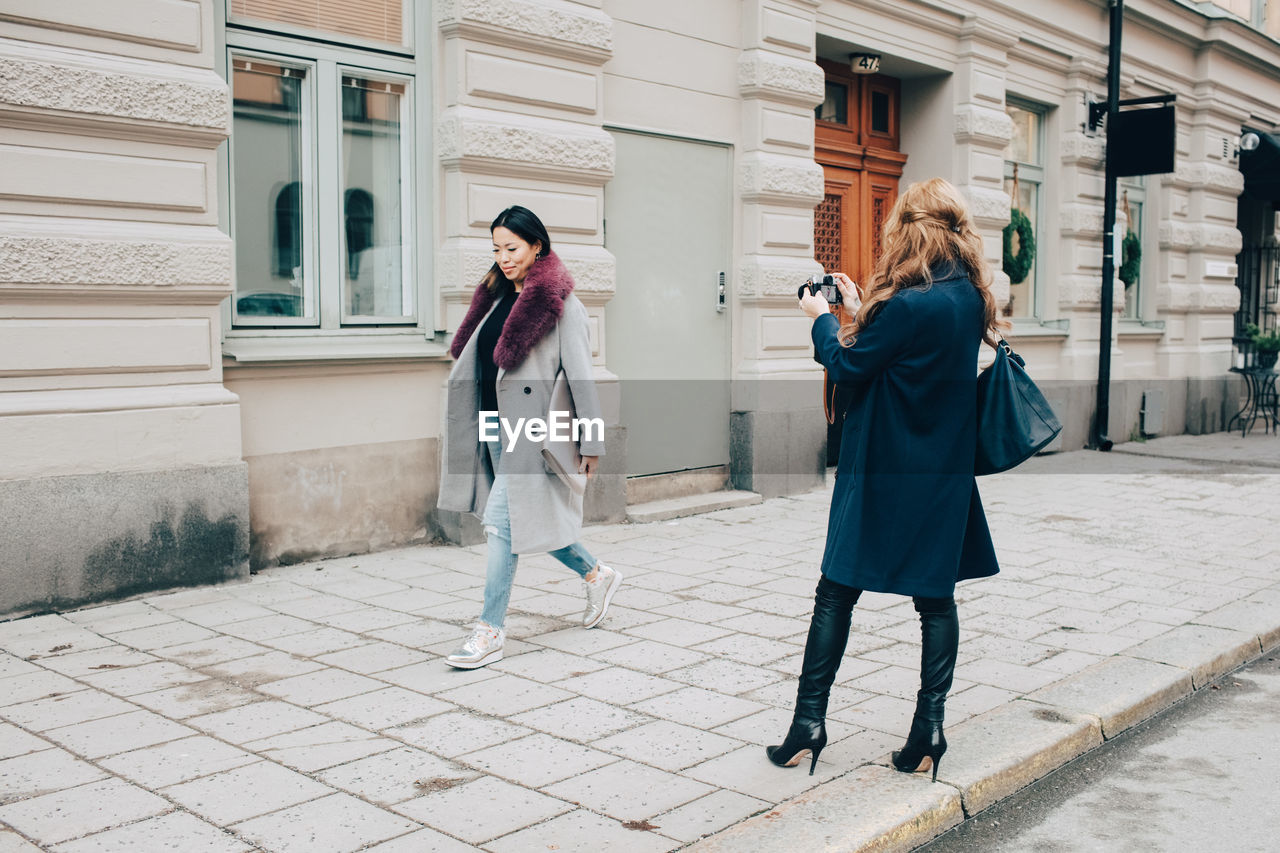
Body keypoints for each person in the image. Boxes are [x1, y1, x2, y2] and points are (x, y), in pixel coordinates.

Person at [767, 178, 1004, 779]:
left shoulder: (906, 304)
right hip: (941, 471)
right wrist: (858, 305)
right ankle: (929, 731)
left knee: (836, 590)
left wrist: (822, 316)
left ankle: (807, 725)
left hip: (880, 468)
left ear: (908, 229)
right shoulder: (969, 296)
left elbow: (848, 362)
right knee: (936, 600)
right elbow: (901, 352)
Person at [438, 205, 621, 669]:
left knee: (501, 522)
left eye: (512, 248)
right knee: (526, 519)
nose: (503, 257)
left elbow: (583, 378)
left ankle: (490, 630)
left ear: (536, 245)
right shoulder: (496, 300)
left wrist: (592, 442)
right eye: (496, 249)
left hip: (533, 432)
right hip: (493, 426)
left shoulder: (561, 305)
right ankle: (597, 575)